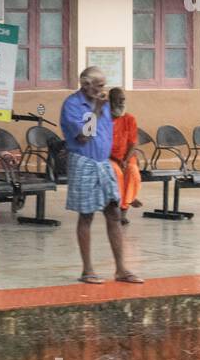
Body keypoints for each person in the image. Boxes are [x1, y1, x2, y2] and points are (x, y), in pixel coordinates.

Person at [60, 67, 142, 284]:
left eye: (103, 85)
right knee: (86, 215)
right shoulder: (72, 105)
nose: (102, 90)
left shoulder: (103, 106)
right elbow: (84, 137)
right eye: (98, 85)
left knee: (113, 212)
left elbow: (107, 133)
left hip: (102, 162)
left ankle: (121, 269)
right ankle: (87, 269)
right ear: (85, 85)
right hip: (83, 160)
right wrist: (95, 110)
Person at [107, 87, 142, 224]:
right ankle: (126, 203)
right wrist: (117, 160)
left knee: (132, 171)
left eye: (123, 100)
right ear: (110, 102)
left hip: (126, 157)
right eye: (118, 100)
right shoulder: (103, 119)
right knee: (117, 173)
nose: (121, 103)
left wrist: (126, 160)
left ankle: (126, 204)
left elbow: (133, 143)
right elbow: (100, 145)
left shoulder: (130, 118)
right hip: (108, 158)